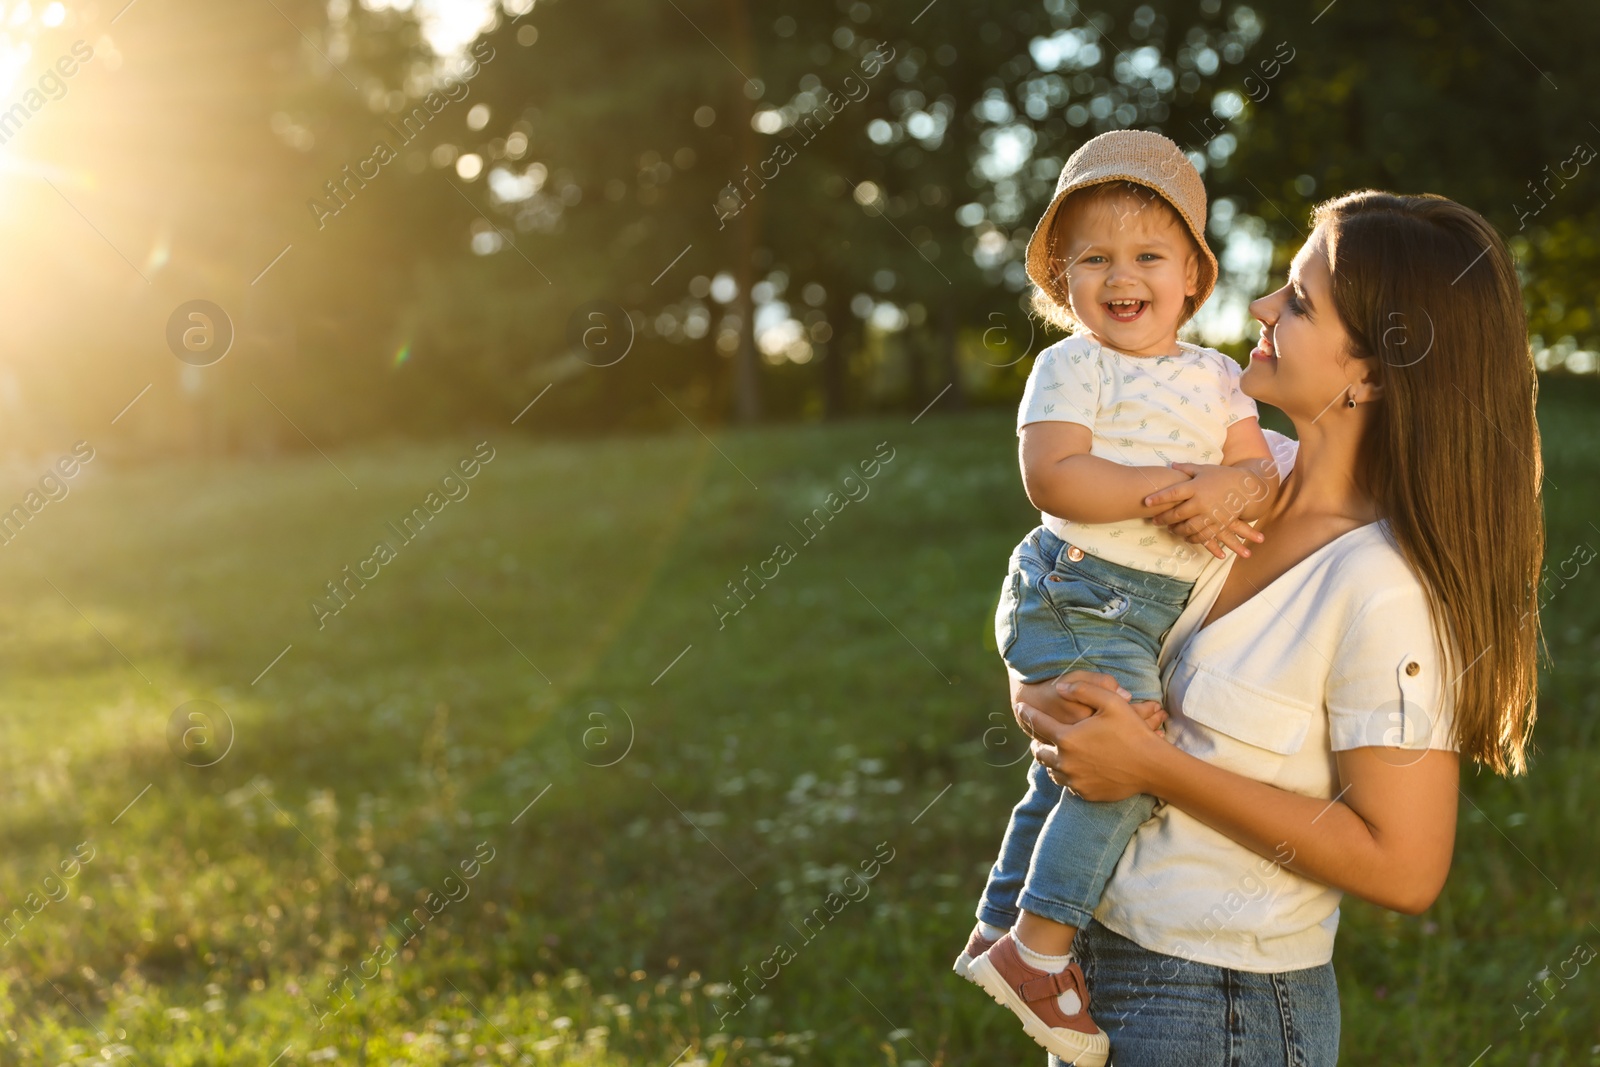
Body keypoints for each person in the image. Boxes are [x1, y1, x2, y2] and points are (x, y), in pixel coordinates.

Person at [1009, 190, 1543, 1066]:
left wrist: (1153, 766)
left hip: (1225, 1004)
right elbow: (1063, 591)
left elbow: (1406, 869)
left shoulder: (1383, 585)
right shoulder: (1232, 478)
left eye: (1297, 302)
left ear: (1370, 372)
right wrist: (1040, 697)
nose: (1258, 306)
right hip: (1093, 960)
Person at [957, 129, 1280, 1067]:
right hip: (1080, 588)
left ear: (1192, 278)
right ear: (1063, 283)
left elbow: (1258, 477)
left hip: (1145, 605)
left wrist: (1231, 488)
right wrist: (1174, 488)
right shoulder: (1072, 366)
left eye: (1147, 255)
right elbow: (1054, 477)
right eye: (1093, 258)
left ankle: (996, 921)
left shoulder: (1219, 378)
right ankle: (1042, 948)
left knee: (1068, 760)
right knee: (1133, 754)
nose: (1120, 275)